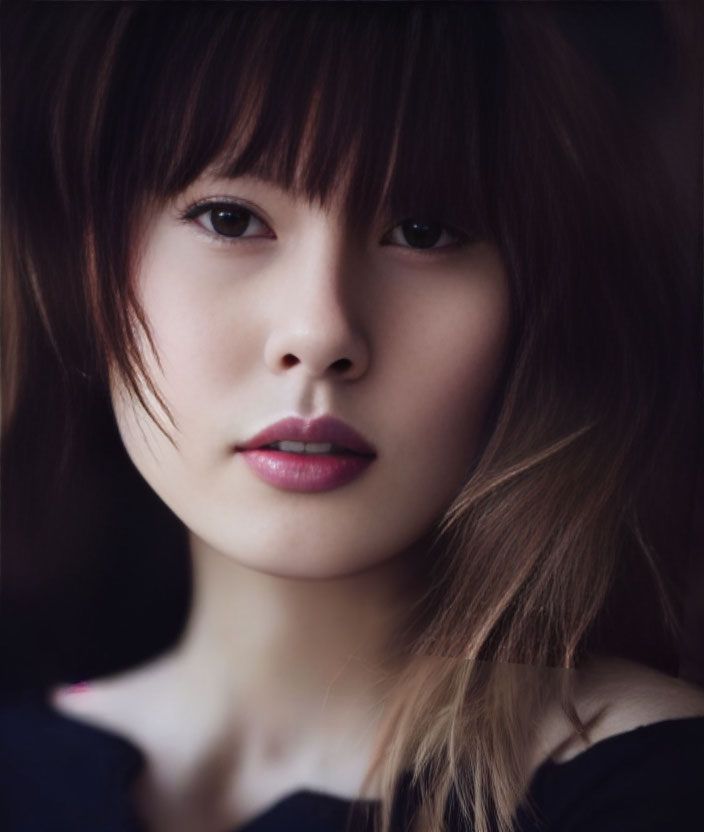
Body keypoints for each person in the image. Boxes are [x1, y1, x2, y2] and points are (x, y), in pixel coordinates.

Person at [2, 3, 703, 831]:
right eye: (230, 218)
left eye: (423, 230)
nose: (320, 331)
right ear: (87, 267)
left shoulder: (651, 787)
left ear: (531, 302)